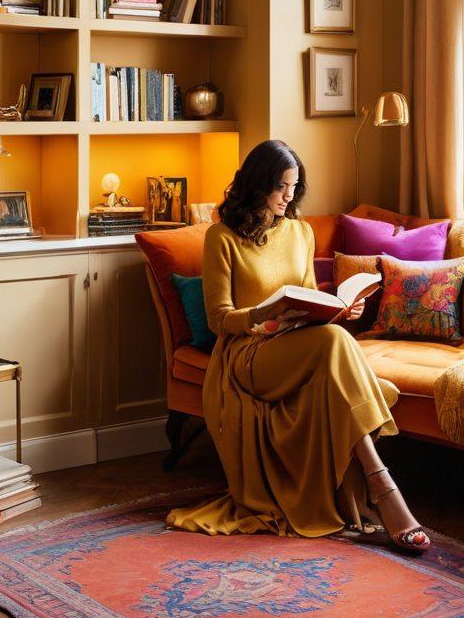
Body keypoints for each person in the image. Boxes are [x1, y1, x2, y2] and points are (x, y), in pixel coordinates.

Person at [167, 139, 429, 553]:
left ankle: (379, 481)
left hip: (300, 342)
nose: (289, 195)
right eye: (280, 186)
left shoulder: (300, 232)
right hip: (247, 354)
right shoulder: (222, 237)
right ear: (257, 185)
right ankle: (383, 485)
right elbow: (220, 320)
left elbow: (310, 297)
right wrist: (262, 314)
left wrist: (344, 310)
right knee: (332, 344)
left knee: (335, 335)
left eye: (294, 185)